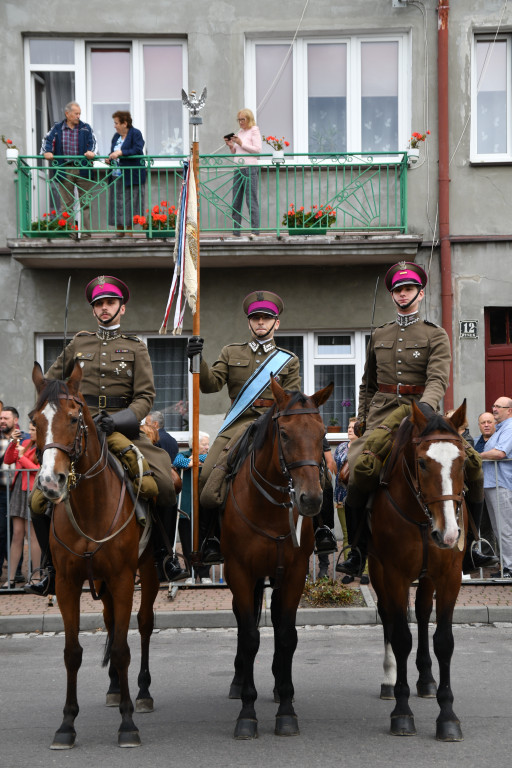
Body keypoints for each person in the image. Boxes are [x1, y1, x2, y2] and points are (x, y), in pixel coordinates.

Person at [27, 275, 178, 596]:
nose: (104, 308)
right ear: (94, 310)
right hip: (77, 430)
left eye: (109, 303)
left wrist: (121, 419)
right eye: (98, 304)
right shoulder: (78, 345)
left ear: (121, 307)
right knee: (37, 500)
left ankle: (165, 557)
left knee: (164, 484)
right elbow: (47, 388)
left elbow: (145, 396)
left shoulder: (136, 347)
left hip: (119, 428)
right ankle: (50, 569)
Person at [187, 290, 336, 563]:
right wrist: (197, 361)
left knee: (322, 474)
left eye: (266, 318)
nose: (260, 323)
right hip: (239, 423)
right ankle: (211, 539)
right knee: (207, 477)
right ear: (249, 322)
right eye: (255, 318)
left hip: (275, 421)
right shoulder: (231, 352)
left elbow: (291, 398)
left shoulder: (287, 359)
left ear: (276, 323)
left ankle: (322, 529)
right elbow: (211, 384)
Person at [337, 261, 452, 578]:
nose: (403, 294)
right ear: (392, 295)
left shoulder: (435, 335)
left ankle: (473, 546)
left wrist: (426, 408)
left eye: (409, 289)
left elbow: (438, 379)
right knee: (358, 471)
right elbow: (368, 385)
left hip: (421, 412)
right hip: (382, 415)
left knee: (469, 463)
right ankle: (358, 551)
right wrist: (362, 419)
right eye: (398, 290)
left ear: (420, 292)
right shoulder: (380, 335)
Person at [41, 101, 97, 238]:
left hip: (83, 167)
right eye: (76, 113)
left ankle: (85, 233)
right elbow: (46, 141)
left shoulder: (85, 128)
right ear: (67, 114)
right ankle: (70, 233)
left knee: (86, 202)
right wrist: (46, 152)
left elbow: (94, 143)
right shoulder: (57, 128)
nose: (78, 116)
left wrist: (92, 152)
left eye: (79, 114)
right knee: (66, 203)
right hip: (64, 169)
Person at [1, 421, 41, 589]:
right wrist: (13, 443)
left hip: (33, 492)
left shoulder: (44, 448)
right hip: (19, 490)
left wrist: (22, 457)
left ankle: (37, 576)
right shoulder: (25, 443)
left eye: (32, 430)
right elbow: (9, 459)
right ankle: (10, 579)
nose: (29, 432)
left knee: (32, 536)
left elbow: (36, 469)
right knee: (17, 535)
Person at [173, 432, 212, 583]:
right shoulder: (182, 454)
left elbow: (208, 459)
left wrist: (193, 461)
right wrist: (190, 462)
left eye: (207, 444)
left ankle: (204, 573)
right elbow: (178, 462)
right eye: (204, 444)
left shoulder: (208, 455)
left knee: (204, 539)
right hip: (186, 507)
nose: (207, 447)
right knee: (186, 539)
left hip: (203, 504)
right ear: (194, 445)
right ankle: (190, 572)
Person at [480, 397, 512, 579]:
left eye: (499, 407)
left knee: (504, 528)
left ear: (509, 410)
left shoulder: (510, 428)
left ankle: (509, 568)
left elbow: (500, 453)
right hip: (492, 484)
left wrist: (476, 456)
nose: (494, 409)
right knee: (498, 528)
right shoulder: (501, 429)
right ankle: (504, 565)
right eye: (493, 405)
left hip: (502, 484)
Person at [105, 111, 146, 236]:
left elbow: (138, 149)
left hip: (131, 175)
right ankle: (119, 231)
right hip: (116, 174)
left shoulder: (135, 134)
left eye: (116, 123)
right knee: (116, 203)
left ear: (125, 123)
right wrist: (109, 158)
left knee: (130, 203)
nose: (114, 125)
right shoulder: (116, 137)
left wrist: (121, 153)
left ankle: (129, 232)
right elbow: (113, 152)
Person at [0, 408, 29, 576]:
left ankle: (16, 571)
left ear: (15, 420)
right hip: (2, 491)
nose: (2, 421)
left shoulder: (26, 439)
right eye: (0, 418)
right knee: (2, 531)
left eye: (6, 418)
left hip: (19, 491)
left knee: (16, 532)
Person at [225, 108, 261, 237]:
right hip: (238, 169)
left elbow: (257, 150)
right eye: (239, 120)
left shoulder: (254, 130)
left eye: (243, 119)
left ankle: (255, 231)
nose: (240, 122)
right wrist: (231, 146)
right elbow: (237, 151)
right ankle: (236, 232)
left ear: (249, 119)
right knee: (236, 200)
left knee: (251, 200)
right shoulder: (240, 132)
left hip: (249, 168)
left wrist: (241, 142)